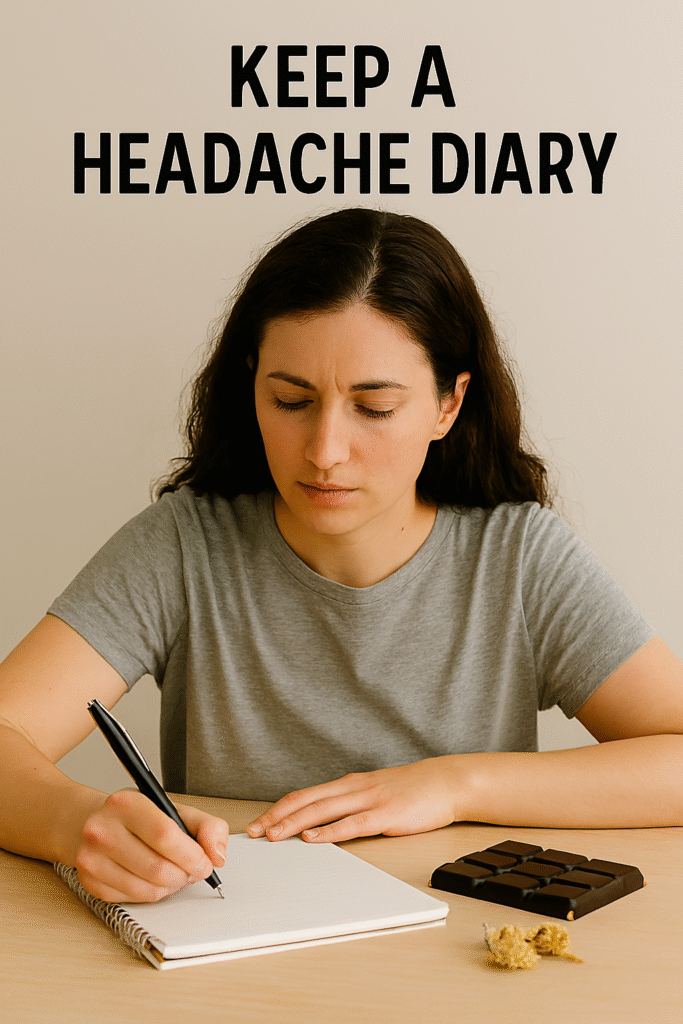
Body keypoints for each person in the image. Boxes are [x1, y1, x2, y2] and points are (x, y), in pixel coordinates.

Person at [1, 208, 681, 905]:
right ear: (252, 387)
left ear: (449, 404)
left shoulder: (519, 558)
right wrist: (77, 823)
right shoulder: (183, 545)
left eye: (375, 407)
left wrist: (455, 784)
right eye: (290, 399)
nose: (324, 451)